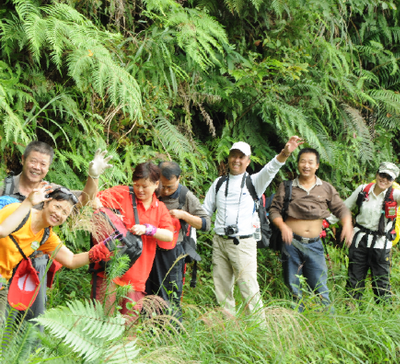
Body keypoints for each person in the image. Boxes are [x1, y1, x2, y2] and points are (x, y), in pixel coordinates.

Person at [0, 187, 115, 359]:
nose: (59, 214)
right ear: (47, 201)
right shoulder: (19, 211)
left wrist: (96, 253)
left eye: (65, 213)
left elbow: (71, 260)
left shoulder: (46, 236)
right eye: (57, 207)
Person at [0, 141, 112, 322]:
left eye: (43, 164)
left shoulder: (53, 192)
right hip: (0, 261)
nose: (37, 167)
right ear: (23, 160)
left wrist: (93, 176)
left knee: (30, 322)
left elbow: (85, 201)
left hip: (35, 263)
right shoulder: (1, 188)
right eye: (33, 161)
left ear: (48, 167)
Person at [202, 136, 304, 319]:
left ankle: (260, 333)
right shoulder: (218, 183)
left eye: (242, 157)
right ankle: (228, 332)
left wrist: (285, 153)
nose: (237, 160)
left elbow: (271, 168)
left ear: (248, 161)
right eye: (234, 155)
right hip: (219, 242)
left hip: (243, 243)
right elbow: (205, 212)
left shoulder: (254, 182)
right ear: (229, 157)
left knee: (249, 290)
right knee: (222, 290)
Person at [328, 162, 400, 304]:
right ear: (377, 174)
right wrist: (325, 222)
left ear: (393, 181)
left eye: (389, 177)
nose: (384, 179)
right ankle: (351, 311)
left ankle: (385, 314)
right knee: (354, 279)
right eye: (382, 175)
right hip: (360, 241)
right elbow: (345, 207)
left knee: (381, 283)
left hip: (381, 244)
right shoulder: (363, 190)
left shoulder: (395, 195)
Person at [269, 148, 354, 312]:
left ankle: (329, 324)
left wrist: (348, 225)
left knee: (320, 286)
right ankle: (296, 323)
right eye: (302, 161)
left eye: (310, 162)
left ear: (317, 166)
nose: (306, 165)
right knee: (293, 287)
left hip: (315, 245)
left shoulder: (326, 188)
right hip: (291, 243)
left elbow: (341, 208)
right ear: (298, 164)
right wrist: (282, 226)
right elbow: (274, 211)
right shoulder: (287, 187)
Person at [94, 162, 175, 322]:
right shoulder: (123, 193)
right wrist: (109, 218)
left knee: (128, 328)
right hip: (109, 271)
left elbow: (169, 235)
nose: (140, 190)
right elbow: (95, 200)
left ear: (156, 184)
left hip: (137, 278)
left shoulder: (160, 208)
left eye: (145, 186)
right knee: (100, 321)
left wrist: (149, 230)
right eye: (136, 185)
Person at [145, 161, 210, 320]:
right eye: (162, 186)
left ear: (179, 179)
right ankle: (147, 329)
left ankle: (171, 330)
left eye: (170, 187)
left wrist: (184, 215)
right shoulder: (151, 189)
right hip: (149, 249)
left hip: (172, 252)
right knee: (147, 291)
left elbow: (206, 223)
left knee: (170, 294)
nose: (165, 191)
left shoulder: (185, 196)